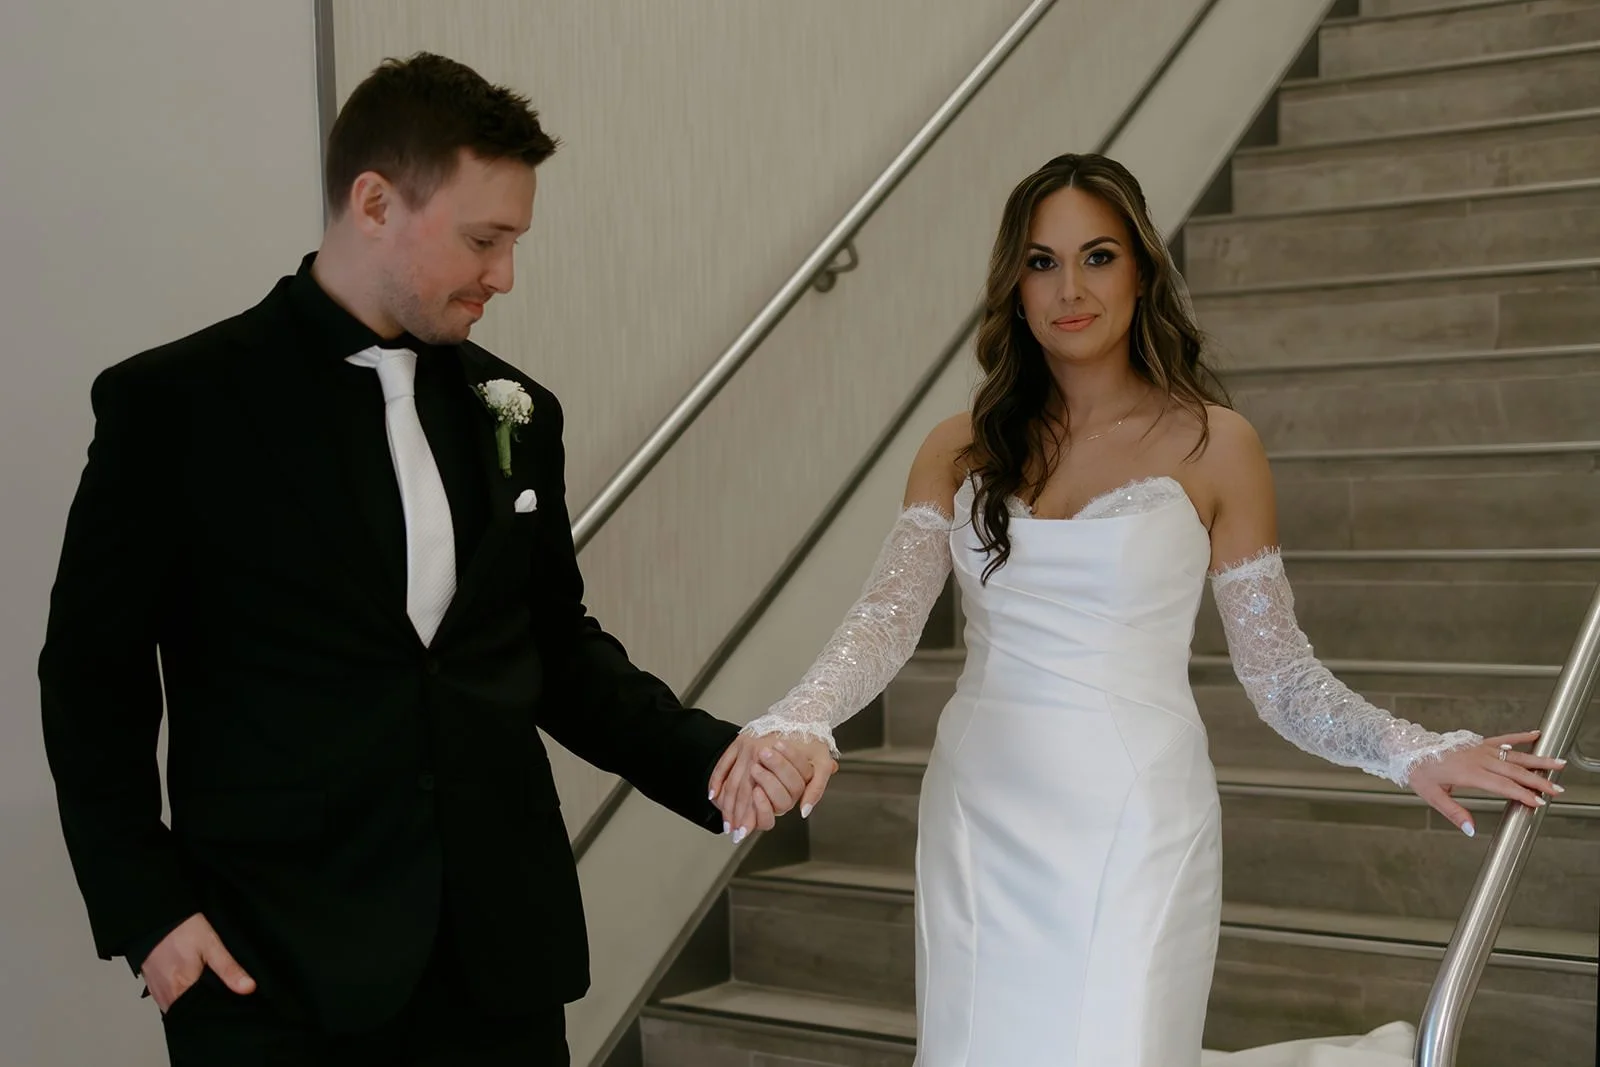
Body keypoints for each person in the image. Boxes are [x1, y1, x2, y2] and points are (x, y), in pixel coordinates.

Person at [38, 52, 818, 1066]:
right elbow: (89, 678)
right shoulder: (174, 408)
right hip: (269, 972)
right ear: (373, 201)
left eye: (513, 241)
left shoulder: (519, 410)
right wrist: (147, 911)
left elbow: (553, 648)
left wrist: (712, 756)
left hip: (499, 967)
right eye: (483, 239)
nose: (504, 274)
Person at [712, 153, 1566, 1066]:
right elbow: (884, 617)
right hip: (982, 809)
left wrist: (1411, 749)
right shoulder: (958, 447)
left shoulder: (1215, 443)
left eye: (1098, 256)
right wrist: (799, 718)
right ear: (1013, 283)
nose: (1068, 287)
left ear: (1143, 271)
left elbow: (1278, 674)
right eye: (1041, 262)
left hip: (1138, 814)